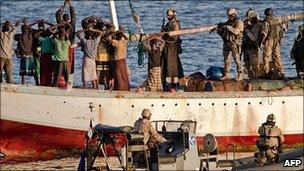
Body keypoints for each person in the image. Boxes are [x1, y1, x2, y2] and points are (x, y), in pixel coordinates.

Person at [212, 8, 244, 81]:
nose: (230, 17)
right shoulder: (229, 22)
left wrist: (228, 27)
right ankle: (227, 74)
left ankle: (240, 74)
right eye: (229, 15)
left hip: (235, 43)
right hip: (227, 42)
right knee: (226, 59)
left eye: (231, 15)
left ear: (235, 14)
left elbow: (236, 31)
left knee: (237, 59)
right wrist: (218, 28)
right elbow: (223, 27)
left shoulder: (239, 22)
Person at [161, 8, 184, 91]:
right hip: (168, 47)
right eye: (168, 15)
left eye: (170, 15)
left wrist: (164, 34)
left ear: (173, 15)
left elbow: (174, 37)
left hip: (172, 47)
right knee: (168, 66)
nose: (168, 16)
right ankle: (169, 85)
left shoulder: (175, 23)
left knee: (171, 67)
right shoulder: (169, 23)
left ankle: (172, 86)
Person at [55, 0, 76, 85]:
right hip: (69, 47)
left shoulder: (61, 24)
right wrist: (70, 5)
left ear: (63, 19)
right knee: (69, 65)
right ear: (68, 19)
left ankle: (62, 82)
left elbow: (57, 14)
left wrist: (64, 5)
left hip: (61, 46)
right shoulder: (71, 24)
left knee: (61, 65)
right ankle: (68, 83)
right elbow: (74, 16)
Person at [260, 8, 285, 78]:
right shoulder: (276, 20)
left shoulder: (266, 21)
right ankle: (281, 72)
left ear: (265, 14)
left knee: (266, 57)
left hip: (269, 41)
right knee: (277, 57)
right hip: (276, 41)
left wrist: (261, 43)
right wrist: (280, 41)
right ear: (272, 13)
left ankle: (266, 73)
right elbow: (281, 32)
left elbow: (264, 33)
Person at [14, 19, 39, 85]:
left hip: (23, 55)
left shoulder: (19, 36)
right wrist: (27, 25)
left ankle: (23, 83)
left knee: (23, 72)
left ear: (21, 30)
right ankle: (37, 82)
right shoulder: (31, 35)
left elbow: (13, 35)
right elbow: (32, 30)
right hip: (30, 55)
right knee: (33, 71)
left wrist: (18, 26)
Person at [33, 20, 54, 86]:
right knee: (49, 70)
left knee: (41, 69)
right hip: (49, 55)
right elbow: (53, 26)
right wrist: (45, 22)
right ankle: (49, 82)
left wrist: (36, 22)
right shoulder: (50, 39)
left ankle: (42, 82)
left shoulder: (41, 38)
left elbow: (35, 35)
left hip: (41, 54)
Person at [242, 9, 261, 79]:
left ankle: (256, 78)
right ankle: (250, 77)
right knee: (247, 65)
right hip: (246, 47)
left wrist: (247, 29)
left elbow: (254, 38)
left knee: (254, 65)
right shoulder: (251, 25)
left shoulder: (257, 26)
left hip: (253, 48)